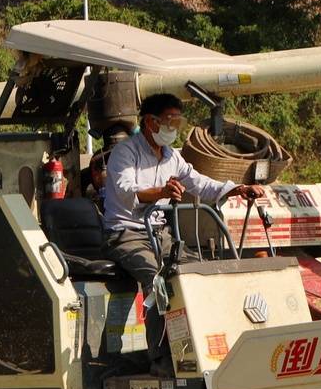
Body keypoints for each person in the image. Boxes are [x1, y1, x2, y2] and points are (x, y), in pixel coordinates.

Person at [102, 94, 247, 358]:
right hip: (126, 234)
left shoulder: (172, 157)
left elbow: (200, 183)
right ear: (151, 122)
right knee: (159, 280)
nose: (174, 129)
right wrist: (161, 192)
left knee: (196, 271)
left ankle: (205, 348)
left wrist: (237, 188)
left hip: (160, 233)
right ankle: (162, 359)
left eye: (177, 122)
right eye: (170, 122)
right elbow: (126, 190)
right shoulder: (125, 152)